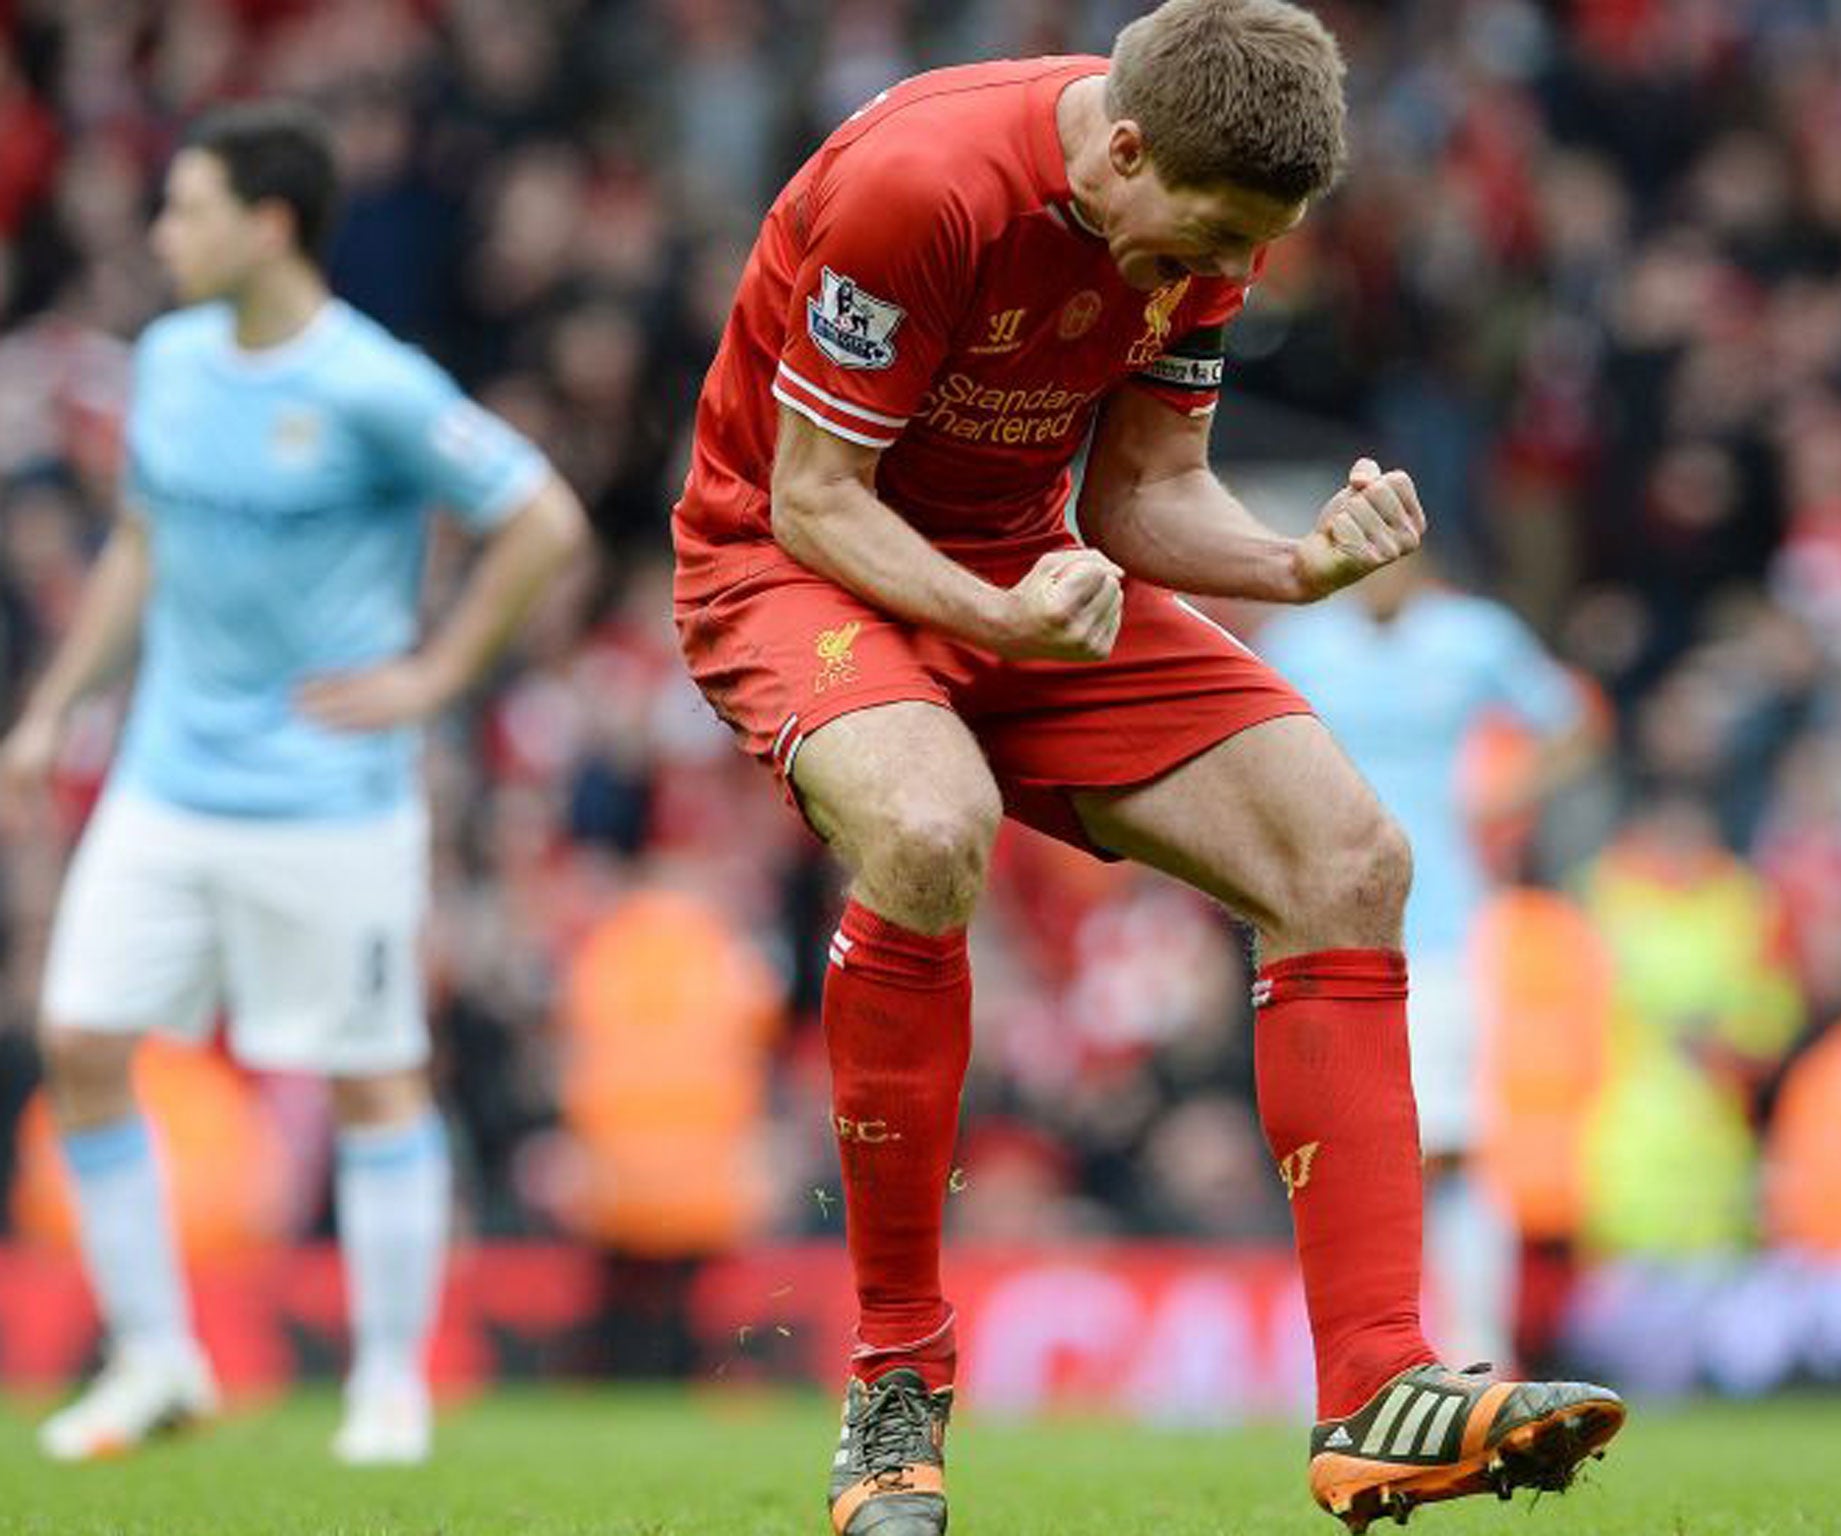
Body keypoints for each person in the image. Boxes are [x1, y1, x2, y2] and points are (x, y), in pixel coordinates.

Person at [670, 3, 1623, 1530]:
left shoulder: (1214, 216)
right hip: (801, 577)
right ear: (1121, 149)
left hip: (1034, 577)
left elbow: (1141, 496)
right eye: (1195, 243)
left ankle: (1382, 1389)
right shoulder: (920, 184)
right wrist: (996, 617)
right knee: (929, 824)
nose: (1203, 280)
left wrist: (1294, 565)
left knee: (1349, 858)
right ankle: (894, 1385)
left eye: (1238, 253)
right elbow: (813, 501)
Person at [0, 103, 589, 1466]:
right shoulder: (170, 360)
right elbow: (143, 544)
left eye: (186, 207)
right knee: (82, 1045)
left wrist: (437, 678)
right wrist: (51, 712)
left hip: (332, 794)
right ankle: (156, 1360)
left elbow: (543, 517)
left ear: (269, 225)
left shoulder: (371, 385)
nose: (162, 234)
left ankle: (390, 1388)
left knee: (371, 1078)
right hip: (166, 780)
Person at [1260, 551, 1601, 1374]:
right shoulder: (1297, 642)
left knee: (1449, 1143)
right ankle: (1354, 1351)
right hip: (1323, 922)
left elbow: (1575, 723)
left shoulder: (1472, 637)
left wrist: (1495, 801)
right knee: (1333, 1141)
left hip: (1441, 923)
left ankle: (1479, 1349)